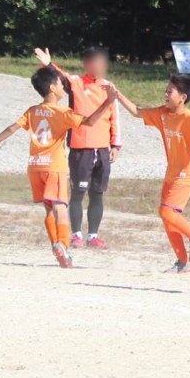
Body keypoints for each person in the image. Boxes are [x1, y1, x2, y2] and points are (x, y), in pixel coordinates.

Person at [0, 68, 117, 268]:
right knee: (60, 208)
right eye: (61, 84)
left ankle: (55, 245)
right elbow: (89, 122)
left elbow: (12, 128)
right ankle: (63, 245)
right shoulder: (63, 113)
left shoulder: (33, 111)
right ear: (52, 88)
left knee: (49, 210)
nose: (63, 88)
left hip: (35, 167)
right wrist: (107, 102)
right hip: (54, 167)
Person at [114, 74, 190, 273]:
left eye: (170, 91)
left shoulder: (189, 118)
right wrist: (118, 95)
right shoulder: (162, 113)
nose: (165, 94)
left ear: (182, 98)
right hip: (171, 173)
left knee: (166, 212)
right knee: (166, 216)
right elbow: (137, 112)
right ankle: (183, 262)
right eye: (166, 91)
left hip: (185, 175)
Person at [34, 46, 121, 249]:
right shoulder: (76, 83)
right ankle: (76, 235)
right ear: (87, 64)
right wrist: (48, 64)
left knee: (97, 193)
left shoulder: (109, 87)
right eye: (93, 62)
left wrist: (115, 144)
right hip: (80, 148)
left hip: (102, 149)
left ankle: (93, 236)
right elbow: (60, 77)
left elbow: (115, 117)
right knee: (78, 193)